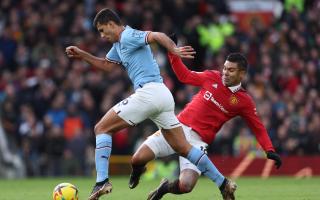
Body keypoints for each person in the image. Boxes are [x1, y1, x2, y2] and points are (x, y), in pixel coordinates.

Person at [66, 8, 233, 200]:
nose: (102, 35)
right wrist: (82, 55)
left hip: (149, 93)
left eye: (103, 30)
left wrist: (173, 49)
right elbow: (106, 66)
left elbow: (157, 35)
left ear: (112, 24)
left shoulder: (128, 35)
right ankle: (223, 183)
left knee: (101, 128)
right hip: (162, 96)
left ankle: (102, 181)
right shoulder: (118, 45)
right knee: (184, 148)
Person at [129, 48, 282, 200]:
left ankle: (164, 188)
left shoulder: (244, 101)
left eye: (231, 70)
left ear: (242, 74)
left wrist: (269, 149)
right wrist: (173, 54)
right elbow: (185, 76)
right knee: (137, 159)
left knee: (186, 186)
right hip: (176, 128)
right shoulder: (212, 77)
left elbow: (258, 128)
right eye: (225, 68)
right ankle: (137, 172)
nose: (225, 72)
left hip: (197, 142)